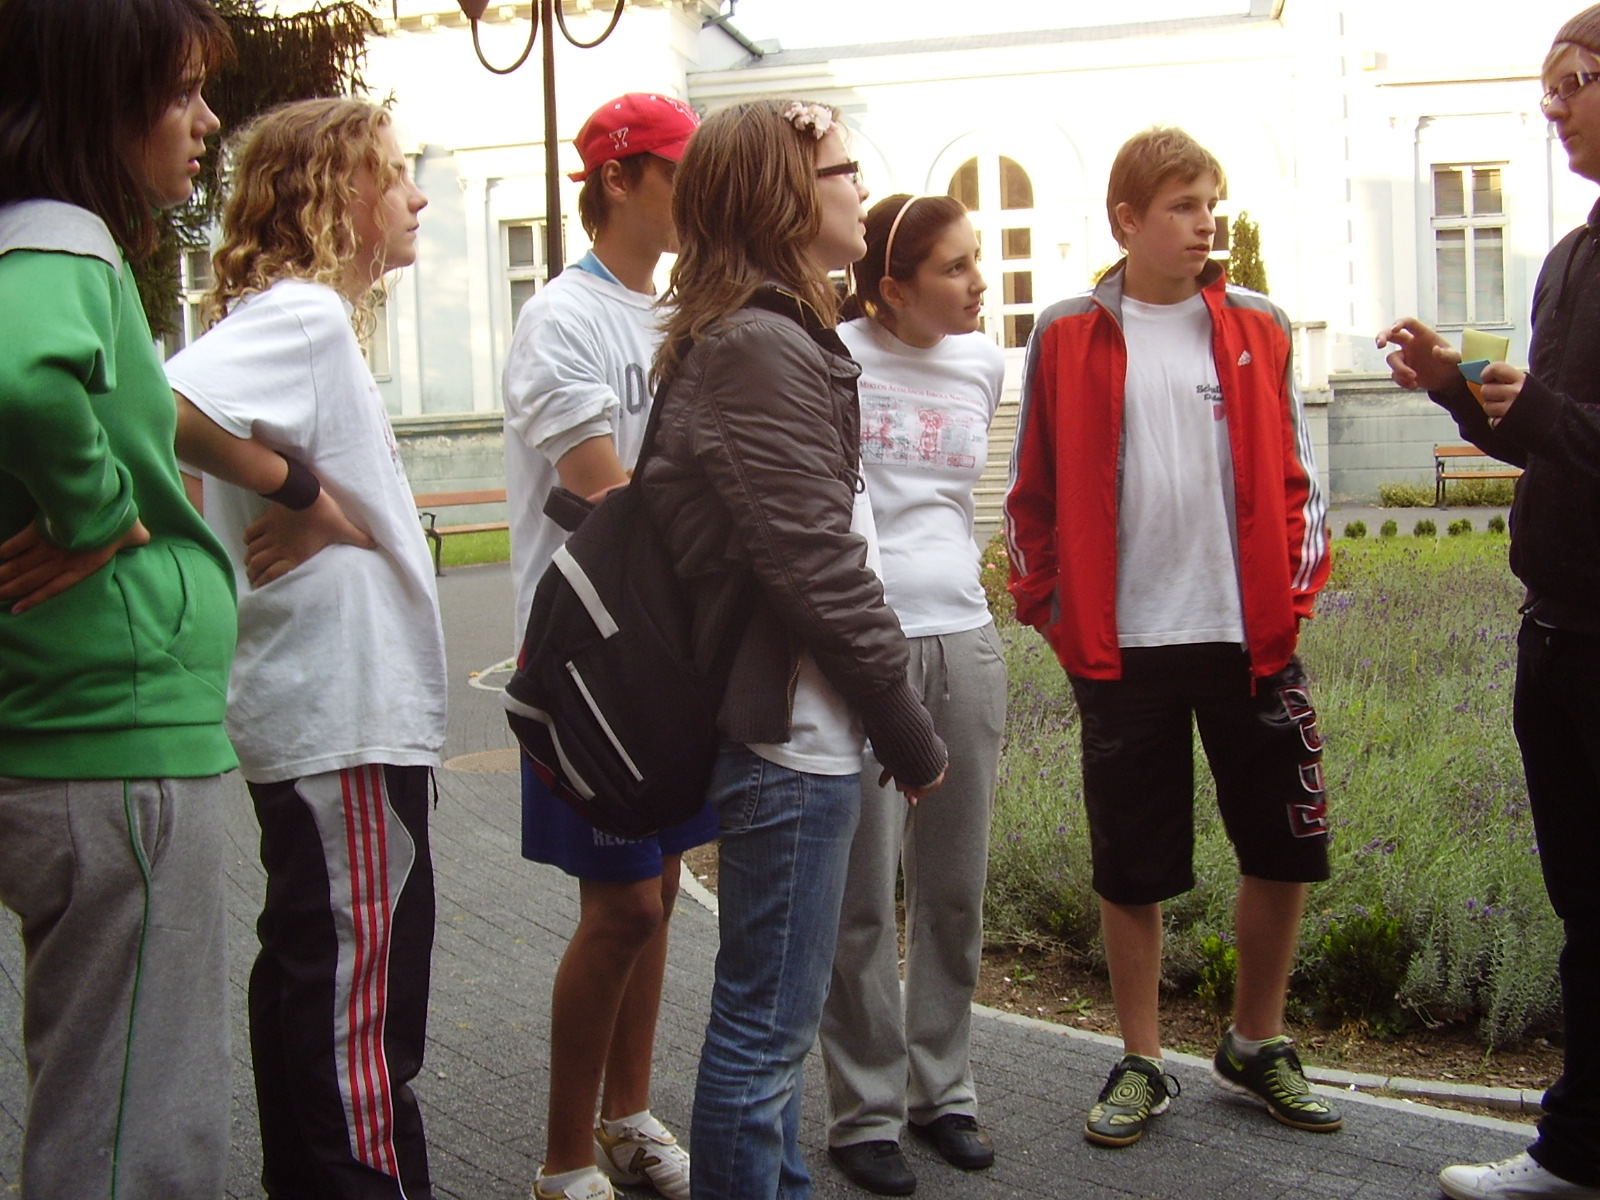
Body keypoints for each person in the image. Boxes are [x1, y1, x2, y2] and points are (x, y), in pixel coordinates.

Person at [1005, 125, 1338, 1149]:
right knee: (1133, 866)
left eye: (1212, 205)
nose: (1206, 224)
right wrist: (1054, 614)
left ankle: (1256, 1040)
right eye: (1183, 206)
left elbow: (1298, 475)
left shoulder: (1258, 323)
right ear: (1127, 220)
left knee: (1284, 847)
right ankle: (1142, 1059)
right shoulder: (1066, 332)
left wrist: (1291, 601)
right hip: (1123, 650)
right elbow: (1030, 493)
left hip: (1249, 642)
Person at [639, 100, 948, 1200]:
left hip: (802, 731)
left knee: (769, 1026)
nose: (862, 190)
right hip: (788, 740)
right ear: (781, 196)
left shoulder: (766, 332)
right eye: (842, 171)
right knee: (763, 1032)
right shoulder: (756, 346)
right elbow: (813, 564)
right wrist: (908, 725)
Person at [164, 97, 443, 1200]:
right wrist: (301, 490)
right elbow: (162, 404)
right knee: (357, 1014)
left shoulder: (304, 322)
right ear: (335, 193)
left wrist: (308, 499)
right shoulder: (306, 315)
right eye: (394, 172)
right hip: (343, 714)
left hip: (327, 712)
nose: (416, 195)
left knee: (310, 981)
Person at [0, 2, 237, 1196]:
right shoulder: (61, 240)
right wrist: (95, 510)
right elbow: (18, 371)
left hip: (70, 724)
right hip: (114, 738)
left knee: (98, 1094)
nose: (207, 122)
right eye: (181, 90)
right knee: (136, 1127)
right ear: (100, 99)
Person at [1379, 9, 1600, 1197]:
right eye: (1545, 85)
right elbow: (1548, 444)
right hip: (1554, 635)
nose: (1550, 105)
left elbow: (1566, 426)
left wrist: (1543, 412)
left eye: (1573, 80)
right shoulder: (1568, 258)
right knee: (1584, 910)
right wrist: (1457, 392)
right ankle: (1577, 1153)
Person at [501, 91, 707, 1200]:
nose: (696, 192)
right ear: (619, 178)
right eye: (679, 170)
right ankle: (563, 1158)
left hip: (668, 656)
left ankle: (627, 1117)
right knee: (621, 905)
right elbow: (605, 495)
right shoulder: (563, 319)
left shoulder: (677, 313)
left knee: (660, 891)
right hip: (588, 664)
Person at [817, 193, 1006, 1196]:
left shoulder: (983, 362)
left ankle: (943, 1090)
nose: (980, 283)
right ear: (890, 288)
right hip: (863, 651)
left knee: (953, 889)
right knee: (860, 898)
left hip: (964, 639)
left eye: (977, 259)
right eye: (954, 267)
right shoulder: (831, 356)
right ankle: (864, 1113)